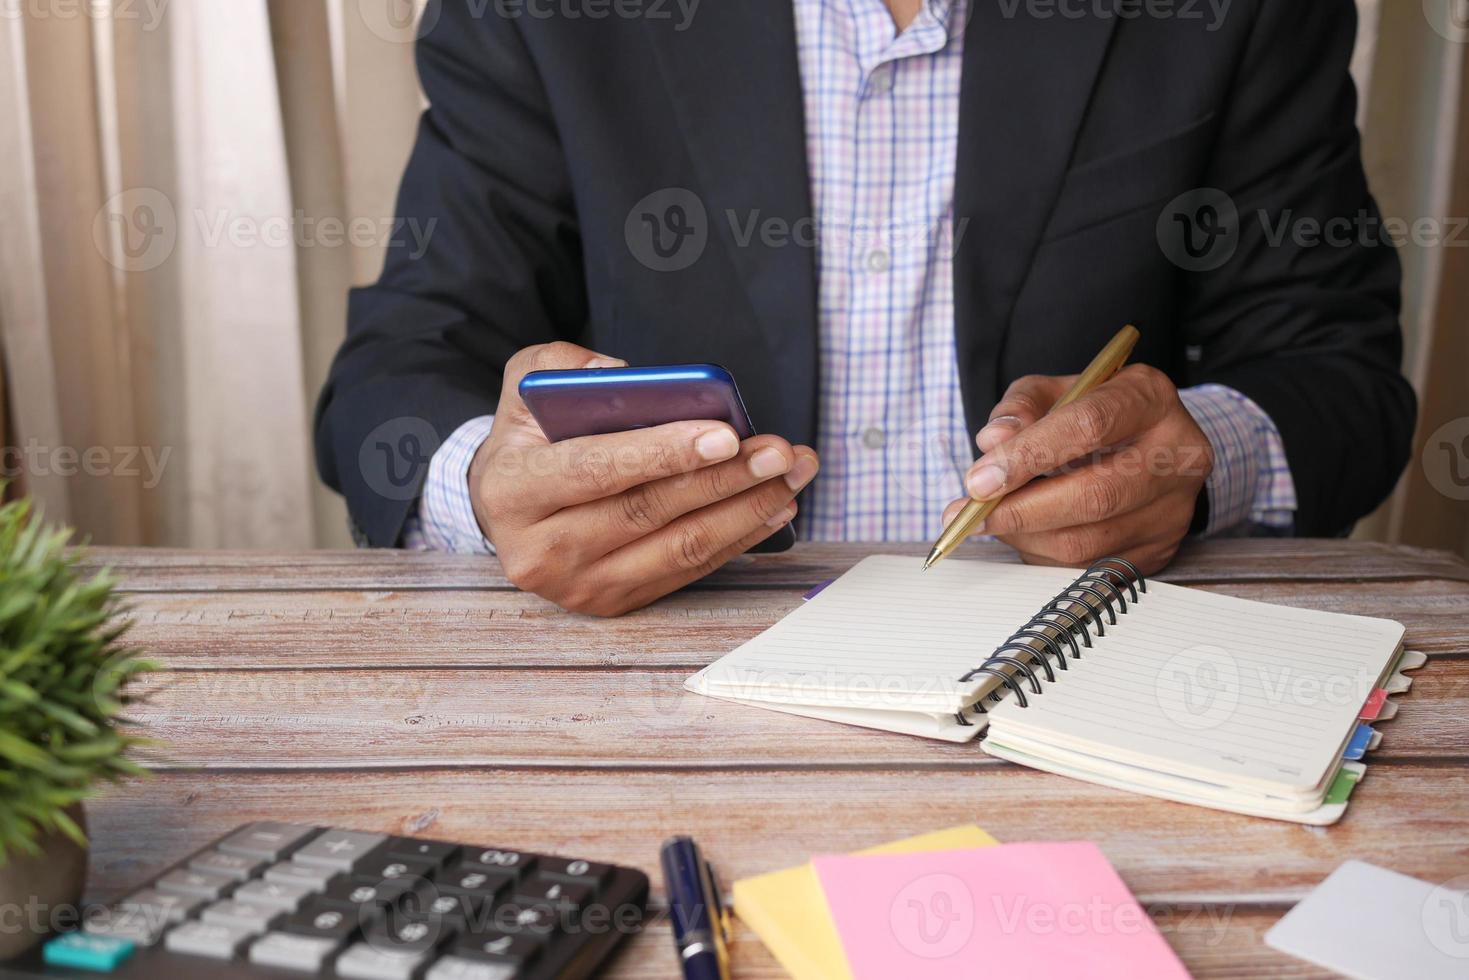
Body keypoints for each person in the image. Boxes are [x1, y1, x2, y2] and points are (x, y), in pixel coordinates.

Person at [316, 0, 1415, 617]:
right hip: (660, 668)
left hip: (1086, 660)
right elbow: (397, 370)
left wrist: (1190, 460)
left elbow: (1336, 373)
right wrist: (490, 487)